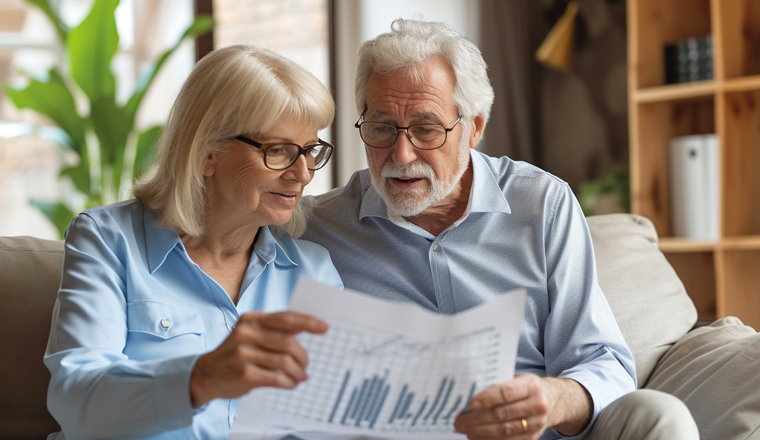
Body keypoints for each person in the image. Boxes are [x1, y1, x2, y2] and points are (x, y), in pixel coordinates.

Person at [302, 19, 699, 440]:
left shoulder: (542, 203)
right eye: (382, 127)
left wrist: (553, 398)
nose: (401, 153)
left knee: (659, 415)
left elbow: (603, 360)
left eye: (426, 128)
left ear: (474, 127)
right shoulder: (317, 226)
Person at [44, 44, 341, 439]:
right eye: (279, 151)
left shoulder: (314, 269)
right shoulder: (107, 240)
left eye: (309, 151)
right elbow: (78, 402)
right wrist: (200, 378)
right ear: (206, 152)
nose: (303, 174)